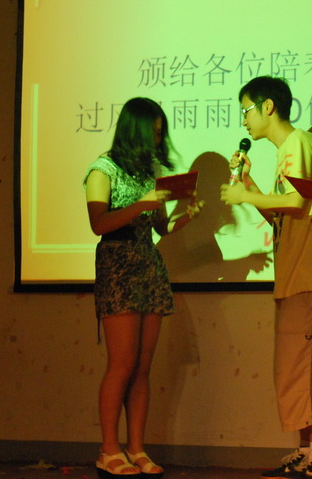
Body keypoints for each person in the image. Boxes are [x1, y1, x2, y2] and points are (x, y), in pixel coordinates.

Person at [220, 76, 312, 479]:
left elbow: (296, 201)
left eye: (246, 110)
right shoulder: (287, 150)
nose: (244, 121)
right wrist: (249, 183)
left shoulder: (299, 141)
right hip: (294, 273)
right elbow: (280, 212)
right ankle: (307, 450)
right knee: (294, 367)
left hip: (310, 271)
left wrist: (243, 195)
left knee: (308, 366)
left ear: (268, 107)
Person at [84, 97, 203, 478]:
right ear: (133, 130)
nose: (157, 140)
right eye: (152, 133)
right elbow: (99, 224)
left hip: (148, 265)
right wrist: (142, 204)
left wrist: (187, 215)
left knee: (142, 367)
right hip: (117, 265)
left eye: (160, 134)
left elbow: (161, 228)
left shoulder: (150, 172)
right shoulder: (102, 170)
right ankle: (108, 449)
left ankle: (136, 447)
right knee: (120, 364)